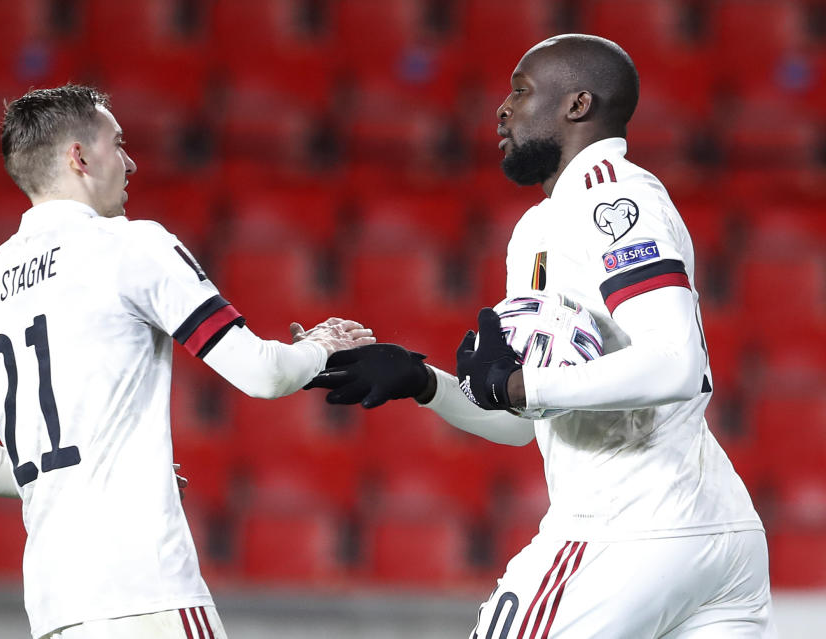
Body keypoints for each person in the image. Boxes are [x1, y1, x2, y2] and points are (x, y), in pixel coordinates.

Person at [307, 35, 775, 638]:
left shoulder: (613, 197)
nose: (502, 109)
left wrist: (519, 383)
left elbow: (675, 364)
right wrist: (424, 383)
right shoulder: (541, 224)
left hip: (626, 528)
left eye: (521, 91)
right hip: (706, 537)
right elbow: (525, 420)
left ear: (577, 105)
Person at [0, 84, 374, 639]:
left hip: (55, 609)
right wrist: (322, 346)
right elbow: (262, 373)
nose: (132, 161)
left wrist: (95, 471)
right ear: (79, 157)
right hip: (146, 592)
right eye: (118, 144)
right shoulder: (131, 246)